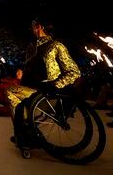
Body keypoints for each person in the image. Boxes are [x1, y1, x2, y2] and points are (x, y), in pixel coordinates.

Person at [6, 18, 80, 147]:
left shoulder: (56, 46)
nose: (32, 29)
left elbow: (74, 72)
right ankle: (28, 130)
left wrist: (55, 85)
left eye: (33, 26)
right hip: (36, 90)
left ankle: (27, 131)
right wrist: (24, 74)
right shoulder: (33, 47)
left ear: (39, 26)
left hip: (49, 92)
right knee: (14, 91)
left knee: (10, 92)